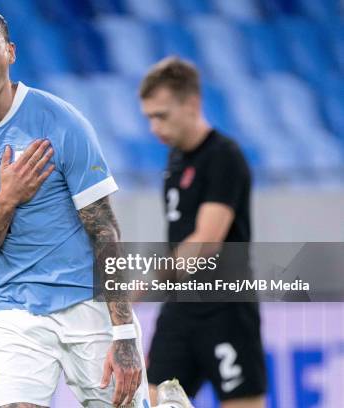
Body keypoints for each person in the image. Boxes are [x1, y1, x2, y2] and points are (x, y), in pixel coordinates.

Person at [0, 5, 149, 408]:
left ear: (9, 52)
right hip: (12, 313)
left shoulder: (61, 122)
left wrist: (124, 334)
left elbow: (105, 231)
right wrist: (7, 200)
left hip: (87, 303)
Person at [138, 57, 267, 407]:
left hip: (226, 310)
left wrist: (144, 283)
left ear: (191, 104)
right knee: (148, 400)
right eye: (149, 117)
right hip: (181, 309)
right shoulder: (175, 161)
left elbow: (207, 243)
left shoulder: (224, 156)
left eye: (161, 115)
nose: (153, 127)